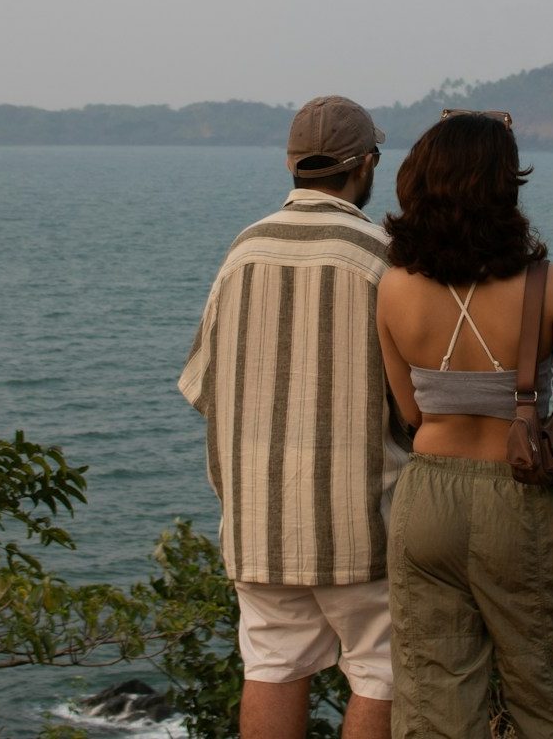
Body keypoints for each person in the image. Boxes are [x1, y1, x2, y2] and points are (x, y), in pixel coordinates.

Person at [376, 109, 553, 739]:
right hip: (521, 497)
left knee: (432, 703)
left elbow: (411, 413)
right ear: (504, 188)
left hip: (424, 499)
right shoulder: (550, 287)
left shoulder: (393, 287)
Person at [179, 95, 410, 739]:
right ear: (367, 164)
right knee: (383, 672)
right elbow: (411, 405)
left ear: (291, 163)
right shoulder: (382, 255)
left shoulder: (242, 251)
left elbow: (204, 385)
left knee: (273, 664)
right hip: (362, 521)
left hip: (257, 520)